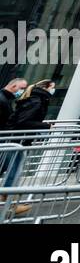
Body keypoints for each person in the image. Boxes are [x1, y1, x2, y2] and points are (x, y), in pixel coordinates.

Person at [3, 79, 51, 217]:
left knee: (13, 171)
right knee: (13, 171)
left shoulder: (32, 100)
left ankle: (10, 201)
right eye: (52, 87)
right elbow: (22, 121)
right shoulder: (36, 102)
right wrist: (46, 126)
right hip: (15, 141)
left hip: (15, 141)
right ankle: (10, 202)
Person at [0, 77, 29, 210]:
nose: (22, 91)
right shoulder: (2, 100)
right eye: (21, 88)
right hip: (4, 140)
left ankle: (9, 201)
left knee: (11, 167)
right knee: (13, 167)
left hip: (5, 140)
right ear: (13, 87)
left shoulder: (6, 99)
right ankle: (9, 202)